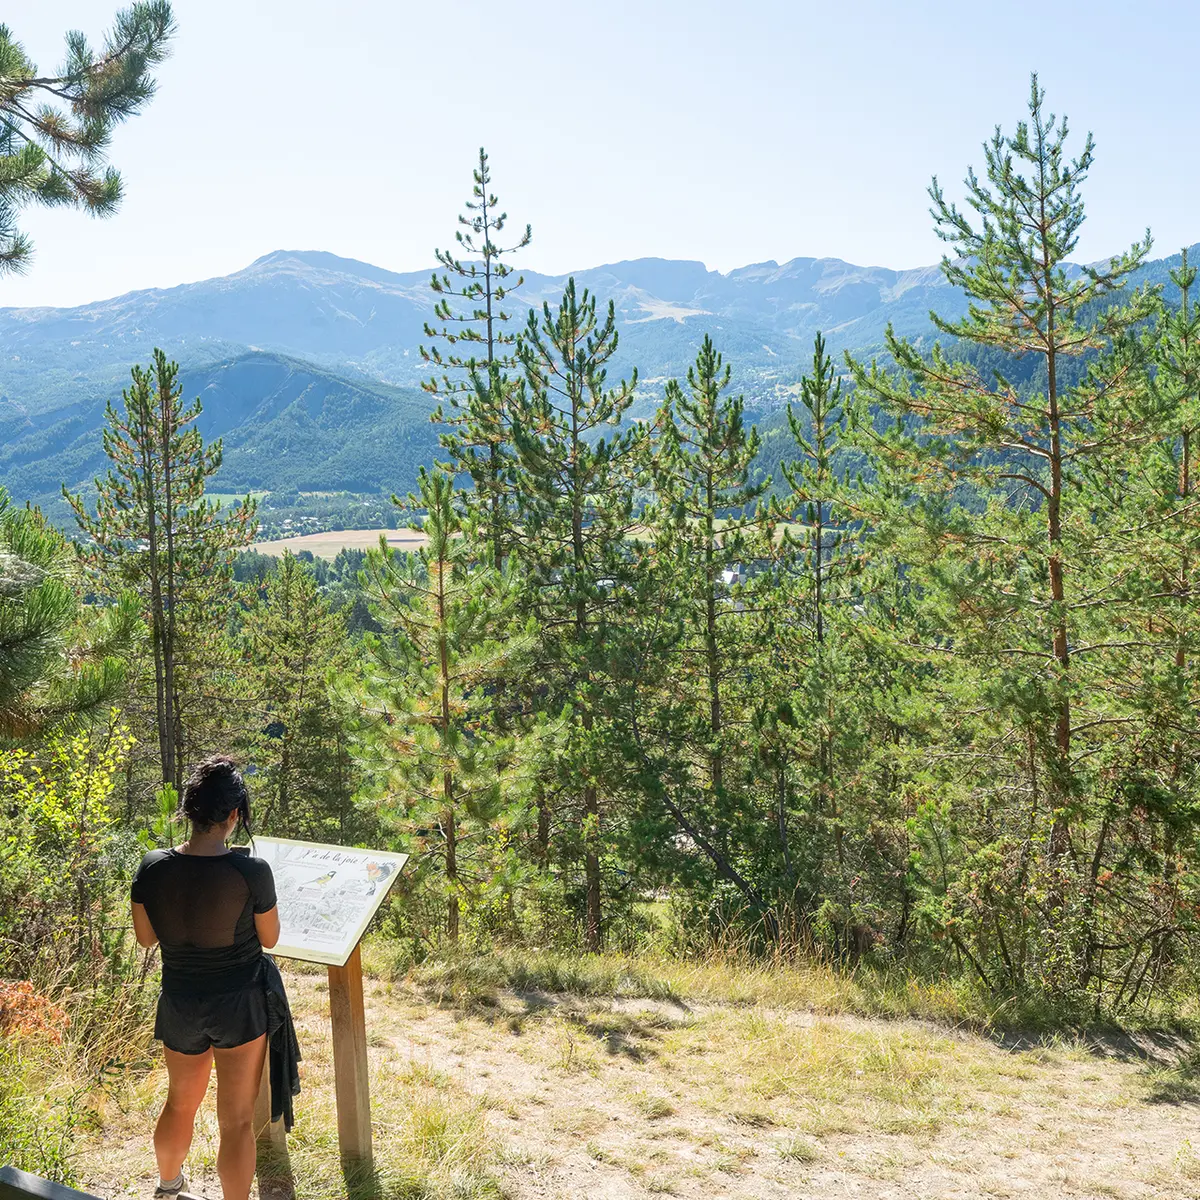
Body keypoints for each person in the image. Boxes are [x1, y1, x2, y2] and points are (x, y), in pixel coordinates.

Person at [131, 756, 281, 1200]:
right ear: (234, 814)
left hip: (179, 999)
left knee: (179, 1103)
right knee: (236, 1121)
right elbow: (270, 938)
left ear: (190, 811)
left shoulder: (153, 866)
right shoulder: (251, 871)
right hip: (239, 1005)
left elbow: (145, 939)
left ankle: (168, 1186)